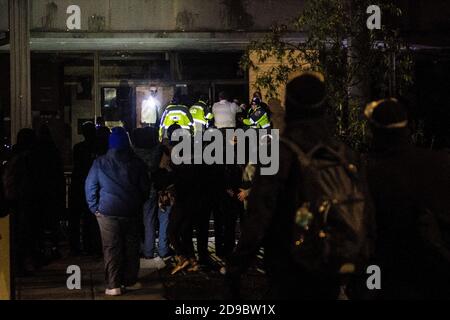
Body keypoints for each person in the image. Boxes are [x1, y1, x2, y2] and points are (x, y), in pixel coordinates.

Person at [226, 72, 375, 300]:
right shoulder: (345, 154)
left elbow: (260, 213)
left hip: (288, 263)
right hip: (331, 262)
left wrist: (238, 264)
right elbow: (366, 210)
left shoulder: (280, 153)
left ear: (289, 105)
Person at [365, 98, 450, 299]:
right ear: (407, 127)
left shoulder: (369, 174)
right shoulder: (439, 163)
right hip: (435, 274)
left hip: (388, 277)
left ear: (374, 131)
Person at [85, 127, 150, 296]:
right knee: (131, 247)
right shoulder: (137, 163)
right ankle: (130, 280)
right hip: (131, 211)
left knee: (111, 248)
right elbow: (145, 188)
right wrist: (138, 202)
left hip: (107, 212)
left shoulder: (100, 163)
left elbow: (90, 186)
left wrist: (94, 207)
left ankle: (114, 285)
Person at [3, 129, 43, 275]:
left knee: (19, 234)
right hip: (25, 200)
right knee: (25, 234)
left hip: (16, 201)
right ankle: (23, 264)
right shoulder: (27, 158)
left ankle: (19, 264)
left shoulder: (14, 156)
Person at [69, 121, 101, 256]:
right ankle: (92, 245)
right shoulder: (98, 148)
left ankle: (76, 246)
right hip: (93, 185)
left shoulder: (78, 148)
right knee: (91, 217)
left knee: (76, 218)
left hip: (78, 184)